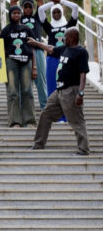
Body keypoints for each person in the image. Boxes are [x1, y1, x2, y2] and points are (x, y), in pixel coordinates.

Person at [29, 27, 90, 156]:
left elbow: (83, 74)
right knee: (46, 114)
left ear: (72, 37)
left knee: (77, 120)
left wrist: (81, 93)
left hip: (71, 91)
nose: (63, 39)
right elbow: (50, 48)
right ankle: (39, 144)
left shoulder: (81, 52)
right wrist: (36, 43)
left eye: (66, 37)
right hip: (59, 91)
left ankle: (83, 149)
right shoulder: (64, 48)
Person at [39, 0, 80, 106]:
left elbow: (75, 7)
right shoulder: (49, 27)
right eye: (54, 12)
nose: (56, 14)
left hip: (67, 59)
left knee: (66, 86)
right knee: (52, 85)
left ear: (62, 13)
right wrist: (53, 3)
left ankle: (66, 114)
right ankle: (54, 112)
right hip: (52, 58)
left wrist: (61, 1)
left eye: (58, 12)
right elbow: (40, 10)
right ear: (51, 14)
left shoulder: (69, 26)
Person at [11, 0, 47, 109]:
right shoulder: (18, 19)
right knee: (24, 83)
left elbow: (40, 0)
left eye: (30, 7)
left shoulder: (37, 17)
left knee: (41, 81)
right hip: (23, 52)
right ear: (22, 8)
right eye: (25, 7)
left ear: (32, 8)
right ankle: (25, 109)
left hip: (37, 50)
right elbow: (13, 1)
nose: (27, 9)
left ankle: (44, 107)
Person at [0, 5, 36, 128]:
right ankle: (15, 121)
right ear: (10, 15)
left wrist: (34, 67)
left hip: (26, 62)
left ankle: (29, 121)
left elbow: (32, 49)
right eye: (14, 13)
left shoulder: (27, 29)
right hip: (11, 62)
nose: (16, 15)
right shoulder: (6, 30)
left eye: (18, 13)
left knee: (27, 90)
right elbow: (1, 49)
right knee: (12, 91)